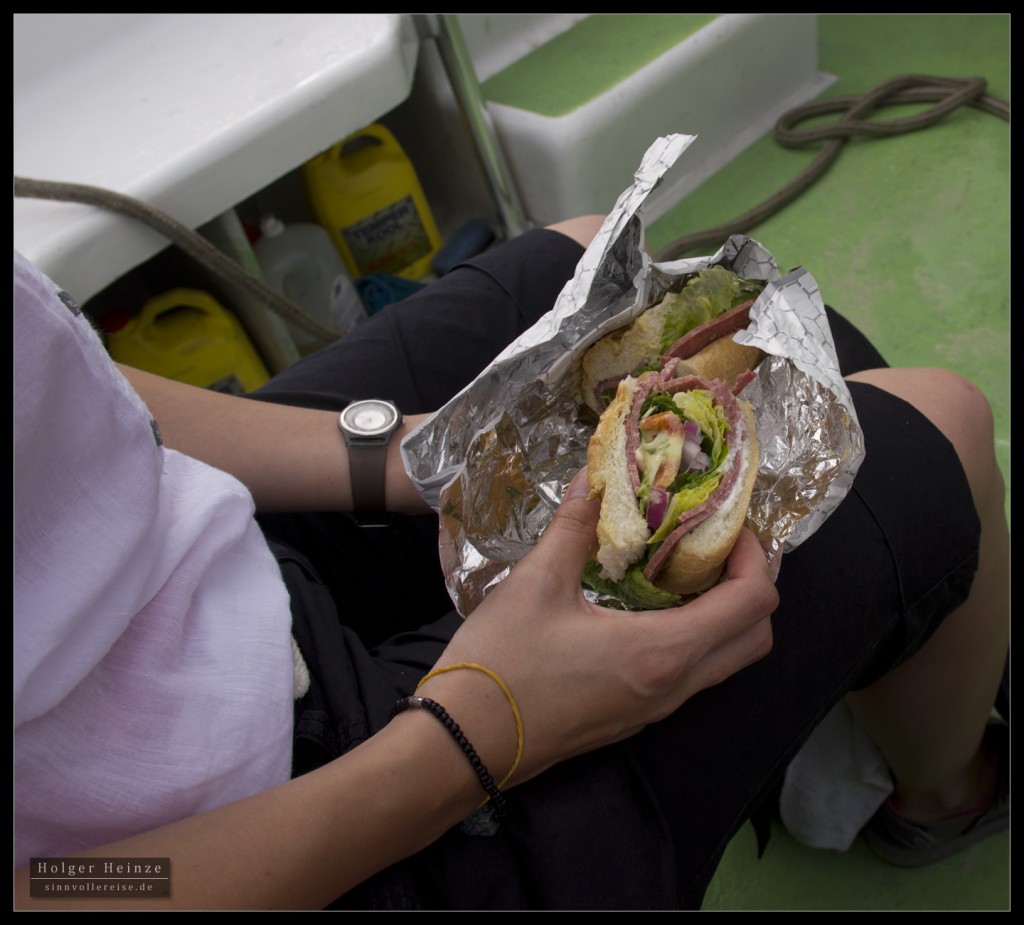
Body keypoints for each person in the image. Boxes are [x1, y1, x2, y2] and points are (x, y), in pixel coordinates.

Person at [14, 215, 1009, 910]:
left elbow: (69, 394)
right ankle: (939, 794)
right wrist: (476, 733)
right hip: (277, 829)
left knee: (591, 256)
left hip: (209, 549)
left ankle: (891, 660)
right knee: (946, 422)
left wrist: (408, 456)